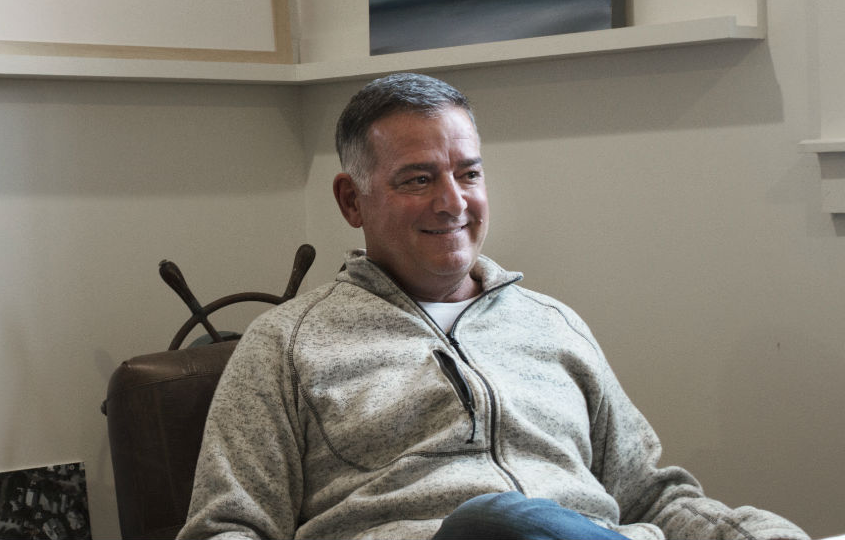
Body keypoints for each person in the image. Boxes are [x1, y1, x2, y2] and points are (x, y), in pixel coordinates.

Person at [178, 73, 809, 540]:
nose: (453, 202)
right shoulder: (286, 345)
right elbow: (226, 528)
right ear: (352, 201)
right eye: (418, 178)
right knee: (495, 523)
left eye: (469, 174)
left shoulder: (551, 324)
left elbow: (649, 495)